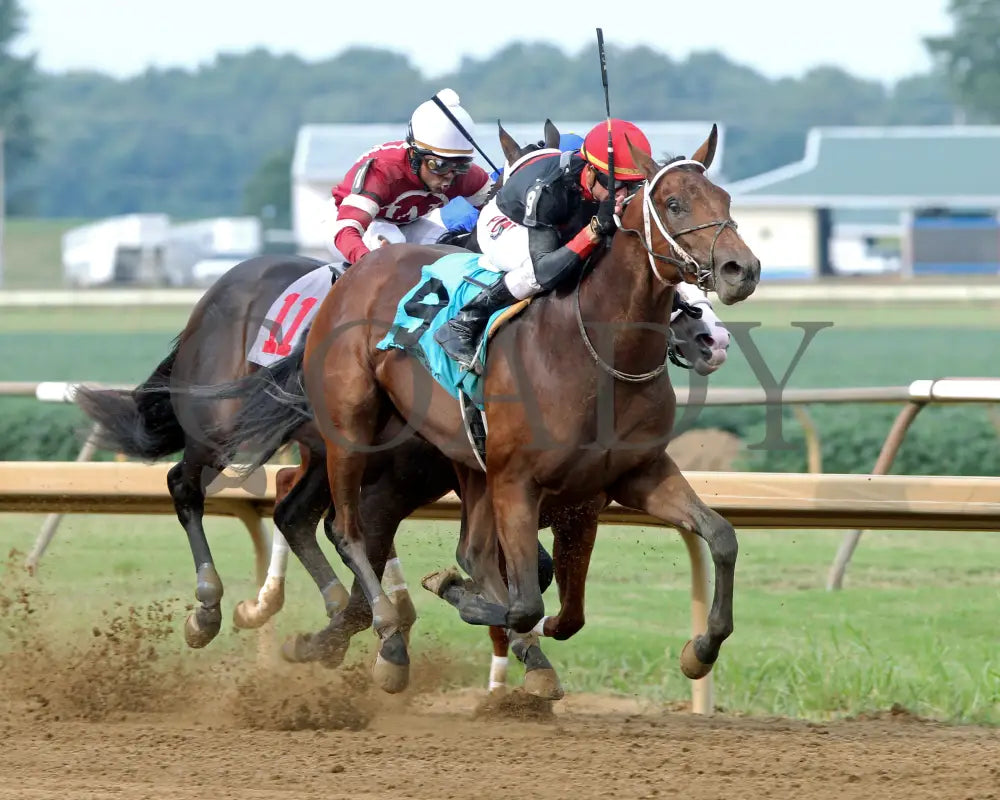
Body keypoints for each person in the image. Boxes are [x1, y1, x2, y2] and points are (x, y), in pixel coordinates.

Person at [433, 119, 729, 371]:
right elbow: (546, 270)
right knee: (536, 274)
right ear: (589, 171)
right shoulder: (549, 188)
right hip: (510, 224)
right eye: (614, 185)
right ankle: (464, 323)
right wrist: (594, 231)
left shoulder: (617, 185)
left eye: (631, 185)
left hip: (566, 224)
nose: (623, 194)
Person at [324, 89, 493, 265]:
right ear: (414, 155)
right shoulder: (383, 171)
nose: (449, 177)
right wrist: (367, 264)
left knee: (456, 250)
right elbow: (346, 230)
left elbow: (504, 208)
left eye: (460, 165)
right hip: (344, 223)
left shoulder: (465, 176)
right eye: (440, 165)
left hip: (407, 223)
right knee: (394, 247)